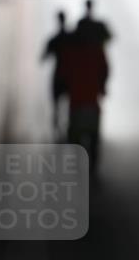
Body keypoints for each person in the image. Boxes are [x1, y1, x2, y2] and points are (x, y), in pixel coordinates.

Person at [61, 20, 110, 174]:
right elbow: (105, 70)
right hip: (91, 101)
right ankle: (92, 165)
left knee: (75, 135)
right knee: (93, 135)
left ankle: (79, 164)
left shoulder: (71, 51)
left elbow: (64, 72)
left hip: (77, 101)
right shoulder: (97, 51)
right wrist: (102, 87)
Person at [40, 10, 70, 138]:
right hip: (69, 77)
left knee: (56, 105)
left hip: (58, 76)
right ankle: (67, 128)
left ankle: (57, 130)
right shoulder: (71, 39)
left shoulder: (55, 39)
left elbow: (43, 57)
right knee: (69, 104)